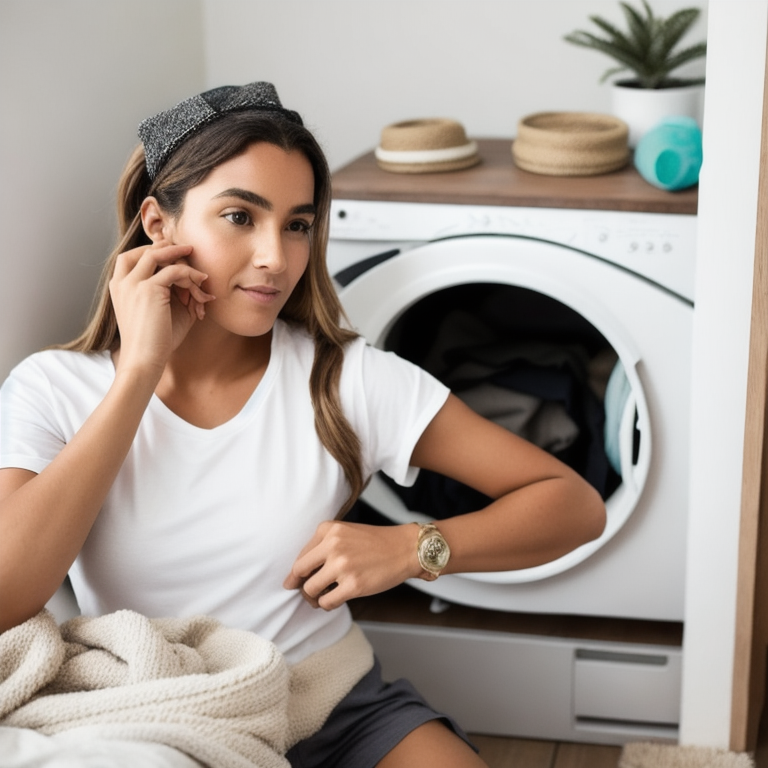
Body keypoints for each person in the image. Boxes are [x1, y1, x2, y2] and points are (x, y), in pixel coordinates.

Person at [0, 82, 606, 767]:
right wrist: (139, 371)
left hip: (333, 707)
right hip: (159, 709)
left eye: (297, 223)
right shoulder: (53, 388)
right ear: (158, 223)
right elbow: (8, 593)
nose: (276, 258)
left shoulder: (347, 379)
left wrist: (413, 548)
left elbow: (573, 506)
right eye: (239, 216)